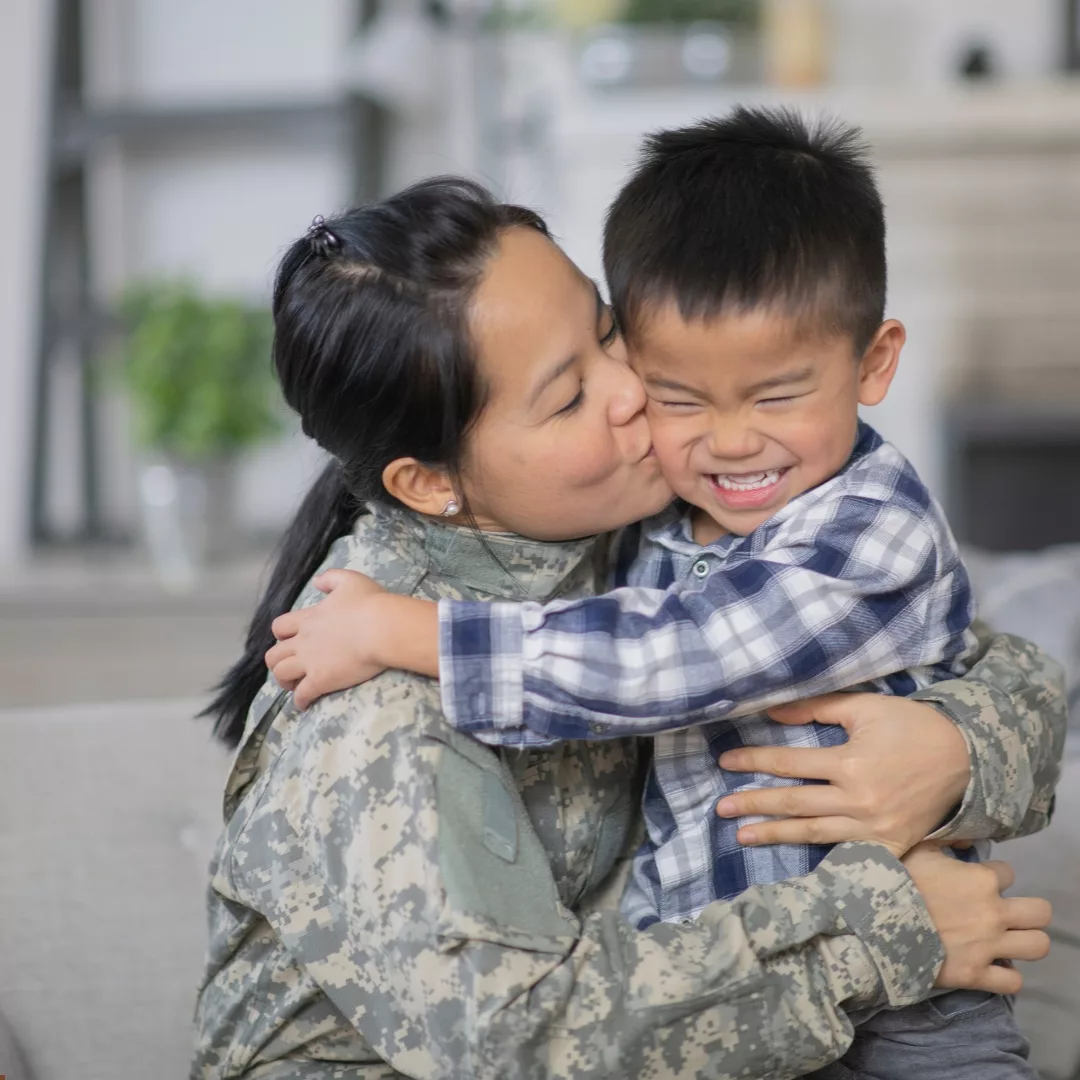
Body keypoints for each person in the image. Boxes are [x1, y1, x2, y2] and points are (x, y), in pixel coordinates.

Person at [194, 176, 1059, 1080]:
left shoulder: (621, 524)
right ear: (429, 483)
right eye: (568, 398)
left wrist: (953, 750)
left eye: (609, 331)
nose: (632, 391)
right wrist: (888, 928)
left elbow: (974, 647)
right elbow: (520, 1043)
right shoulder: (373, 712)